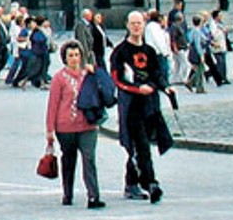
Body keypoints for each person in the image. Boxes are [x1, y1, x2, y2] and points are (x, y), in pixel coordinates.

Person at [111, 11, 164, 203]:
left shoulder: (149, 51)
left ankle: (131, 183)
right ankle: (151, 183)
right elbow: (117, 78)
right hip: (131, 105)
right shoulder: (121, 51)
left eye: (139, 23)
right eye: (133, 23)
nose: (136, 26)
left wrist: (163, 87)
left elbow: (156, 73)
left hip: (149, 105)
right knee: (140, 145)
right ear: (127, 25)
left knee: (140, 147)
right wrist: (136, 88)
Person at [46, 40, 104, 209]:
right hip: (65, 126)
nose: (74, 59)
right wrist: (50, 129)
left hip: (88, 124)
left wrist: (96, 72)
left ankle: (94, 196)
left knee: (89, 159)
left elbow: (103, 89)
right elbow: (53, 104)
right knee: (69, 161)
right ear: (64, 57)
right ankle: (67, 193)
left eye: (77, 55)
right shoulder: (59, 78)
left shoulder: (88, 74)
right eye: (70, 55)